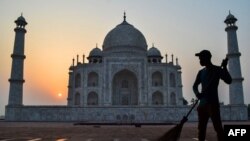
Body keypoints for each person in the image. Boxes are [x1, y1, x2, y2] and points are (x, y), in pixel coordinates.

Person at [193, 50, 232, 141]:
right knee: (201, 129)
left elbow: (229, 81)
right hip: (202, 104)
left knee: (218, 128)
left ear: (207, 58)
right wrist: (197, 93)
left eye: (201, 58)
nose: (200, 60)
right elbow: (194, 86)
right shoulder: (201, 72)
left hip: (212, 103)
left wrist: (225, 68)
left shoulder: (217, 70)